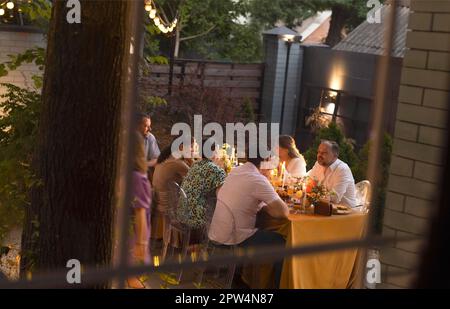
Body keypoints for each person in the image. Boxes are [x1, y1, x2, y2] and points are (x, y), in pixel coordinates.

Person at [208, 147, 289, 288]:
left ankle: (244, 277)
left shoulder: (236, 171)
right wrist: (264, 205)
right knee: (282, 243)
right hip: (233, 237)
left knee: (260, 225)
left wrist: (260, 204)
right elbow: (283, 212)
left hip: (216, 231)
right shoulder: (258, 180)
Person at [150, 136, 193, 244]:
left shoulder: (166, 159)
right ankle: (205, 244)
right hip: (172, 207)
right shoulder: (177, 163)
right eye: (192, 147)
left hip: (160, 204)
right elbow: (198, 179)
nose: (194, 150)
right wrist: (191, 161)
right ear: (182, 147)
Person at [178, 142, 226, 235]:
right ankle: (218, 244)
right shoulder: (217, 171)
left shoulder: (195, 165)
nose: (219, 154)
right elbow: (222, 199)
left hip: (183, 213)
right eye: (218, 151)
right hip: (197, 217)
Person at [128, 130, 152, 288]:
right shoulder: (134, 175)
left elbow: (140, 212)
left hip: (134, 238)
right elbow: (140, 212)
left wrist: (141, 246)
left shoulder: (135, 176)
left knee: (132, 280)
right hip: (131, 237)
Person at [307, 140, 357, 208]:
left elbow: (335, 197)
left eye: (324, 153)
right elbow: (309, 183)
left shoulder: (342, 169)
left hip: (346, 212)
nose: (319, 155)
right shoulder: (318, 164)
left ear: (335, 155)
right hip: (325, 208)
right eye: (318, 152)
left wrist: (312, 194)